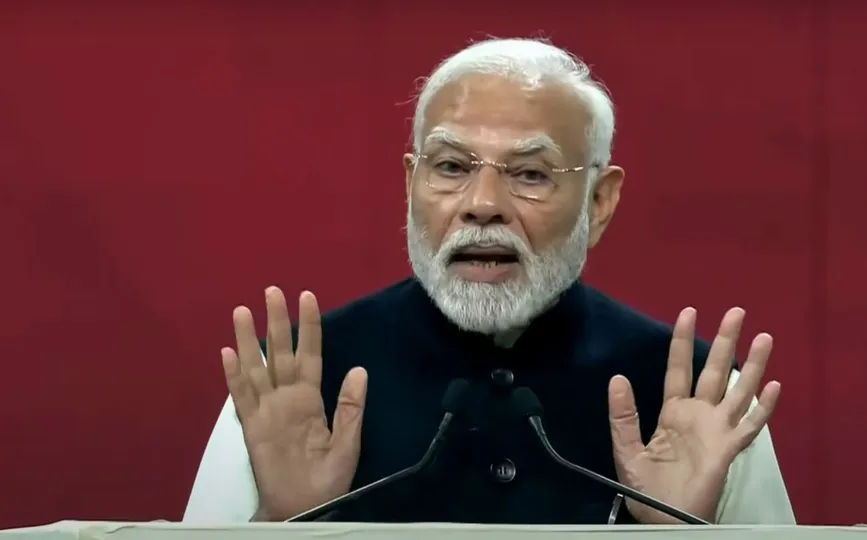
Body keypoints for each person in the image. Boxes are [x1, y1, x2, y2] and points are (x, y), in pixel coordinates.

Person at [182, 37, 795, 525]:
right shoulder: (296, 381)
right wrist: (277, 523)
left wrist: (682, 533)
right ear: (410, 184)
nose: (482, 204)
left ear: (599, 202)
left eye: (529, 174)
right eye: (450, 166)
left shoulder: (692, 392)